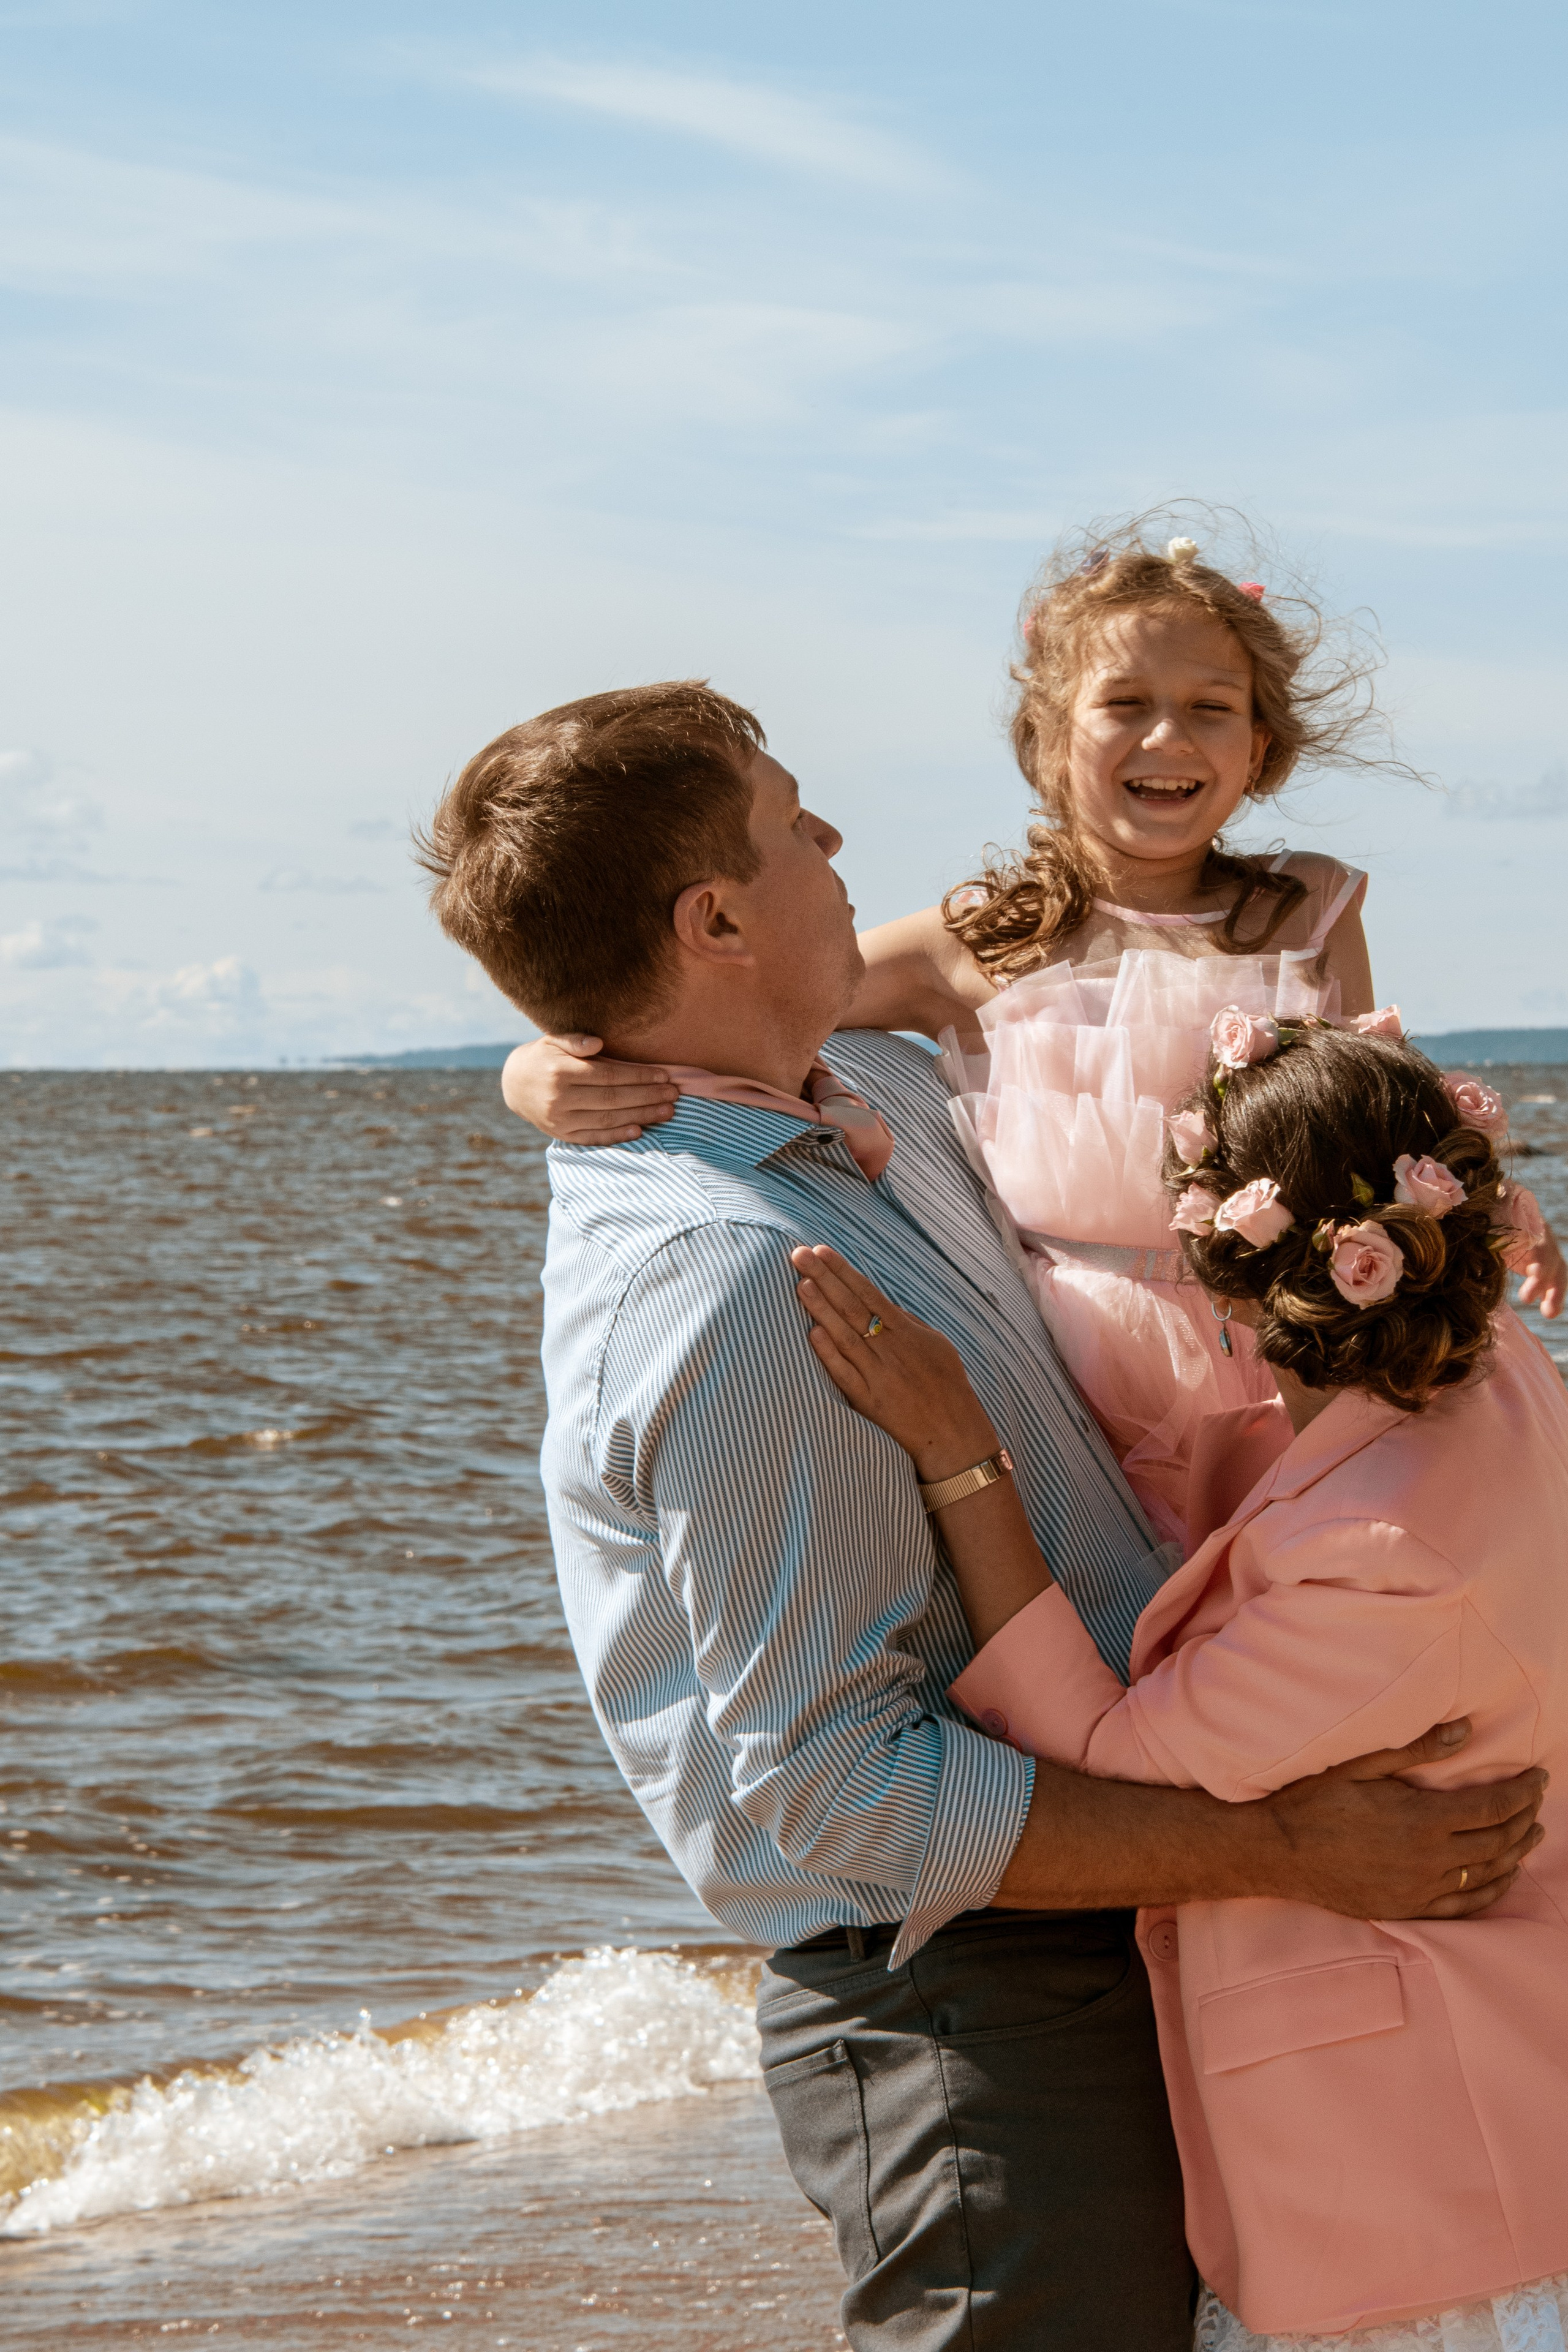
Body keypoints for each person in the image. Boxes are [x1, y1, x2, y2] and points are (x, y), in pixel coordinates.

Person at [416, 682, 1544, 2352]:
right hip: (954, 2003)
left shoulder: (864, 1095)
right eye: (796, 821)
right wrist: (1280, 1846)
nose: (837, 845)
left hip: (1109, 1912)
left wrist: (543, 1061)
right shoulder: (725, 1279)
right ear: (716, 917)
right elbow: (841, 1797)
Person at [500, 522, 1564, 1547]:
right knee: (1147, 1630)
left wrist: (1486, 1203)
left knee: (1332, 1586)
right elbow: (736, 992)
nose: (1169, 738)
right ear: (1049, 739)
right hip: (1080, 1363)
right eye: (1125, 704)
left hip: (1304, 1327)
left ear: (1261, 747)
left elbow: (1381, 1108)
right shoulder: (983, 942)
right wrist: (538, 1064)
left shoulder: (1310, 909)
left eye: (1211, 707)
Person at [790, 1020, 1568, 2349]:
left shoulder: (1377, 1563)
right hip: (1472, 2114)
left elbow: (1094, 1748)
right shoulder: (1500, 1380)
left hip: (1403, 2185)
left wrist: (962, 1453)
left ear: (1224, 1264)